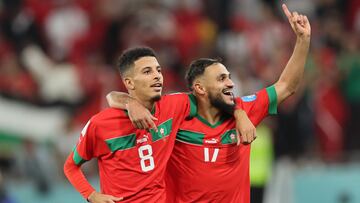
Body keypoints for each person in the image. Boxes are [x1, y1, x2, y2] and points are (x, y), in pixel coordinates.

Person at [106, 4, 310, 203]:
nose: (230, 83)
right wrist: (131, 104)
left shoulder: (244, 108)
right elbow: (112, 97)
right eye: (221, 79)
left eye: (228, 77)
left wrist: (302, 40)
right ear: (200, 88)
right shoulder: (176, 109)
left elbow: (286, 86)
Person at [63, 47, 253, 203]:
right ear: (129, 82)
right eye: (147, 72)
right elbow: (71, 166)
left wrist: (239, 112)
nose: (157, 76)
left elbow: (212, 97)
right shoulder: (101, 124)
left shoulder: (173, 106)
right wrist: (91, 195)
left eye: (158, 70)